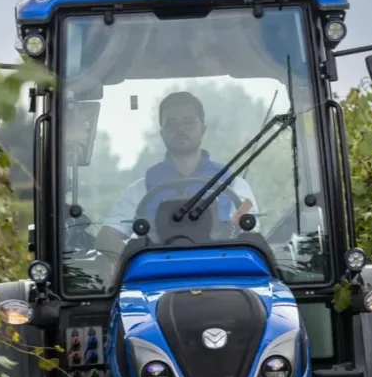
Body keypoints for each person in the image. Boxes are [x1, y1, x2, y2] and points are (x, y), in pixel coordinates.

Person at [94, 91, 259, 256]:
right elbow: (106, 238)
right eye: (171, 124)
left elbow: (251, 238)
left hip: (221, 276)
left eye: (188, 122)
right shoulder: (141, 189)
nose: (180, 129)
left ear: (203, 129)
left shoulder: (234, 186)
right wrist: (139, 266)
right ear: (162, 133)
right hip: (156, 278)